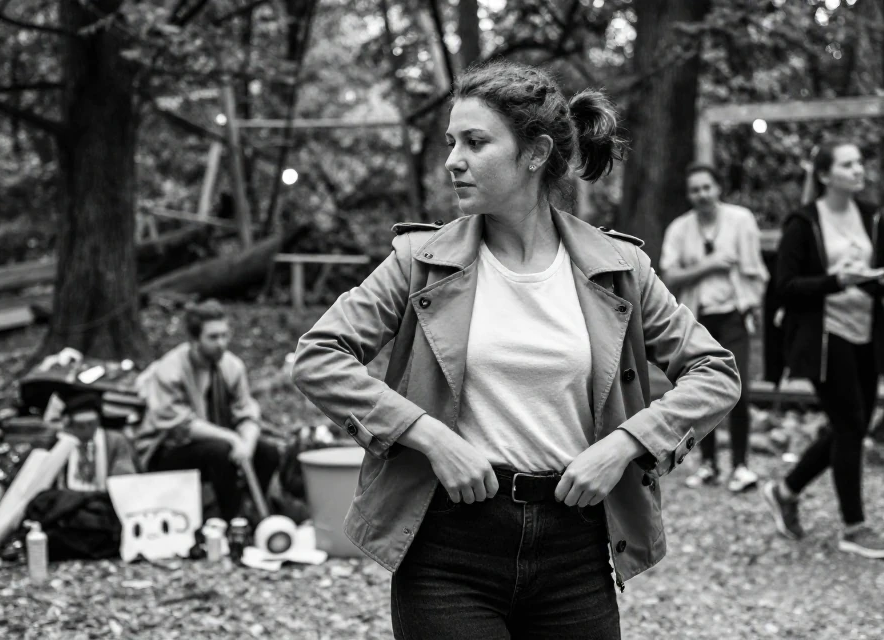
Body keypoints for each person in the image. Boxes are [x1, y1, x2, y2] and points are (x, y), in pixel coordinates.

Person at [292, 61, 741, 640]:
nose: (453, 159)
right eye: (452, 142)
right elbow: (319, 355)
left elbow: (715, 372)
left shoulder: (618, 268)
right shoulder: (418, 262)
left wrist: (625, 446)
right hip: (447, 549)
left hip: (576, 551)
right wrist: (430, 436)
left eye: (476, 143)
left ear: (534, 153)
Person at [759, 139, 884, 560]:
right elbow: (785, 286)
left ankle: (784, 491)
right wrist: (837, 281)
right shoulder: (803, 222)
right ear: (824, 175)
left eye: (860, 163)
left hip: (866, 334)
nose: (860, 170)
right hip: (825, 337)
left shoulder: (873, 218)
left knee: (849, 427)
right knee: (851, 424)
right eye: (849, 163)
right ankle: (855, 527)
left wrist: (872, 279)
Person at [661, 162, 769, 492]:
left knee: (738, 391)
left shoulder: (741, 220)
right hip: (698, 318)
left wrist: (754, 303)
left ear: (717, 188)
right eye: (695, 189)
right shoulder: (680, 229)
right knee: (700, 391)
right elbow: (669, 275)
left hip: (734, 313)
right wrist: (709, 266)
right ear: (688, 195)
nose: (702, 194)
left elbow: (755, 269)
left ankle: (740, 465)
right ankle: (707, 464)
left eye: (707, 187)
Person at [133, 299, 280, 521]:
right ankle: (229, 520)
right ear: (194, 340)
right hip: (167, 449)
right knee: (219, 452)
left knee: (267, 452)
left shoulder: (232, 366)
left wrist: (247, 444)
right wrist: (231, 437)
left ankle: (249, 513)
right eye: (213, 337)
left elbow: (246, 413)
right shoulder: (170, 369)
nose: (221, 343)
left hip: (217, 442)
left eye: (224, 335)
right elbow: (179, 425)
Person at [53, 392, 137, 491]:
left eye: (91, 424)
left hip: (102, 498)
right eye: (80, 426)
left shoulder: (114, 440)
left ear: (98, 422)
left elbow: (124, 477)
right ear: (70, 425)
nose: (87, 430)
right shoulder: (60, 440)